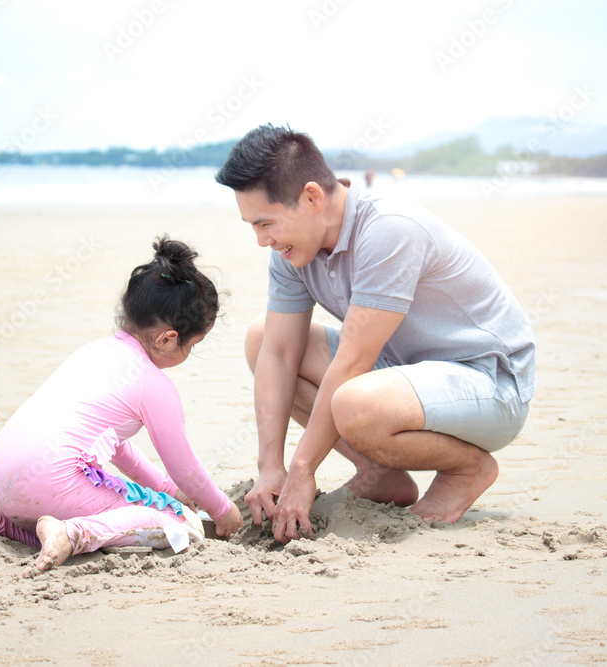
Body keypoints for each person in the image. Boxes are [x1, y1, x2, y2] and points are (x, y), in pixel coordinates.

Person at [214, 124, 536, 544]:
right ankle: (380, 474)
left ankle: (466, 468)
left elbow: (352, 362)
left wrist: (302, 470)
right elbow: (278, 353)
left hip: (489, 384)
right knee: (262, 339)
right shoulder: (292, 250)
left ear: (311, 197)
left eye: (266, 223)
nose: (261, 240)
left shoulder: (387, 228)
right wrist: (270, 466)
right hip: (404, 372)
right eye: (252, 226)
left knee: (353, 402)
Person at [0, 236, 243, 576]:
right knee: (183, 524)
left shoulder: (91, 352)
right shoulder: (154, 384)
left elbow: (119, 449)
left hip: (2, 475)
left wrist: (166, 490)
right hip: (52, 481)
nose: (189, 353)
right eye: (192, 345)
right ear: (167, 338)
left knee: (105, 497)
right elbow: (186, 469)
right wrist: (223, 511)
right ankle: (73, 534)